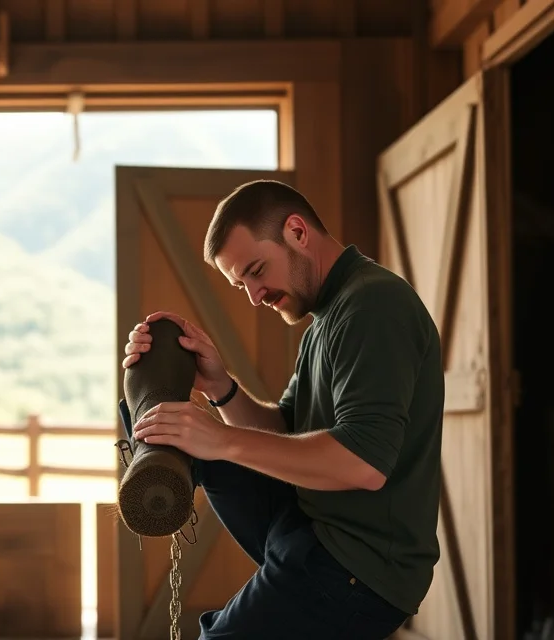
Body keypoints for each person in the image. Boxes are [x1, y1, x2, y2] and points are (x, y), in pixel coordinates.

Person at [120, 179, 444, 639]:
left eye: (256, 271)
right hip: (310, 528)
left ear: (297, 231)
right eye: (241, 284)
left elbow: (363, 463)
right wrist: (219, 387)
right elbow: (286, 433)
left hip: (358, 569)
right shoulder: (327, 318)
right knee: (183, 435)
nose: (254, 296)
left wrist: (221, 438)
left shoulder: (373, 305)